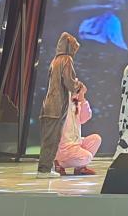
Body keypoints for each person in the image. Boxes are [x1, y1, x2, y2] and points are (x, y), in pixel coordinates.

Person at [38, 32, 81, 178]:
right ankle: (44, 170)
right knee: (52, 140)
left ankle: (45, 168)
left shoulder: (55, 61)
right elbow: (69, 82)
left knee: (48, 140)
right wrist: (78, 85)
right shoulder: (66, 59)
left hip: (48, 106)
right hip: (56, 107)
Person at [54, 82, 101, 175]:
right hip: (64, 147)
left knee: (96, 139)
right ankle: (59, 163)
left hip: (76, 144)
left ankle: (80, 168)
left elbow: (85, 117)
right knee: (87, 157)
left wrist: (82, 97)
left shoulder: (76, 104)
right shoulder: (61, 103)